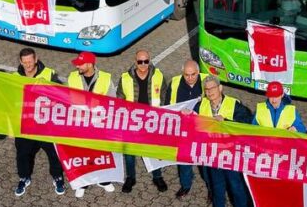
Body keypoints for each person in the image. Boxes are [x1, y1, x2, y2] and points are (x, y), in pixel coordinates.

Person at [190, 75, 252, 207]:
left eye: (212, 88)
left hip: (231, 156)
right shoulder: (201, 105)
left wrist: (227, 122)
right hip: (212, 156)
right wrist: (186, 115)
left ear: (220, 88)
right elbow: (192, 120)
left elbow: (246, 122)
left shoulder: (233, 104)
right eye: (206, 89)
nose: (210, 92)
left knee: (237, 189)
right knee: (217, 190)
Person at [14, 48, 66, 197]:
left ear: (36, 59)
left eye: (30, 61)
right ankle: (24, 177)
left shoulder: (49, 74)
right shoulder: (14, 76)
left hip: (46, 125)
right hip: (25, 124)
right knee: (22, 154)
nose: (28, 65)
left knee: (53, 153)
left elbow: (60, 94)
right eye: (25, 62)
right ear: (20, 61)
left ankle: (57, 177)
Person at [117, 50, 168, 193]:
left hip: (152, 121)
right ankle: (130, 178)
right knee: (129, 153)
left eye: (146, 61)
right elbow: (120, 97)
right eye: (140, 62)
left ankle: (157, 177)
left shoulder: (158, 75)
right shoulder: (125, 78)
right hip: (132, 121)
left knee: (153, 150)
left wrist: (161, 115)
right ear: (135, 62)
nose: (143, 65)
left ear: (149, 60)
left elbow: (164, 95)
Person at [66, 51, 115, 198]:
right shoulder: (72, 77)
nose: (77, 66)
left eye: (80, 64)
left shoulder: (106, 78)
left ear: (90, 64)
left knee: (101, 153)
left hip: (99, 125)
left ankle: (104, 180)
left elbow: (113, 101)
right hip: (79, 124)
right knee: (81, 155)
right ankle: (83, 183)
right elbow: (65, 98)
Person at [165, 59, 207, 199]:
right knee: (183, 161)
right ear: (182, 73)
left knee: (205, 163)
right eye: (186, 75)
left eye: (193, 74)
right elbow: (168, 106)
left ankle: (211, 188)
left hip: (202, 130)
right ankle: (186, 185)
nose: (190, 78)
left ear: (198, 72)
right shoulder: (175, 83)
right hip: (183, 130)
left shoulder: (207, 82)